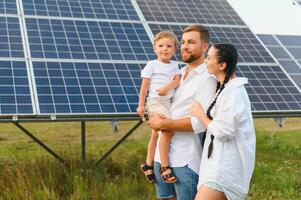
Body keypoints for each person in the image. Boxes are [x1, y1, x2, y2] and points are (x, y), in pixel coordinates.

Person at [148, 25, 217, 200]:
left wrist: (163, 124)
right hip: (159, 158)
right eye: (184, 42)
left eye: (191, 42)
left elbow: (200, 123)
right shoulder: (176, 73)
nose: (185, 46)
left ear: (204, 47)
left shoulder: (207, 79)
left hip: (183, 160)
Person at [190, 43, 256, 200]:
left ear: (222, 65)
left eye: (209, 57)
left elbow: (224, 132)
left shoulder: (233, 93)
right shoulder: (225, 89)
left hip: (224, 171)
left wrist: (200, 115)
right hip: (217, 168)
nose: (205, 60)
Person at [137, 31, 181, 184]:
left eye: (169, 46)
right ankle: (164, 166)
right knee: (167, 129)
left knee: (155, 134)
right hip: (155, 102)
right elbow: (144, 88)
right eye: (161, 46)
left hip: (168, 102)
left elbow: (176, 81)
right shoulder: (152, 65)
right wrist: (141, 105)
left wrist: (167, 88)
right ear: (155, 49)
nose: (165, 49)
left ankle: (148, 164)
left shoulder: (175, 65)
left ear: (174, 49)